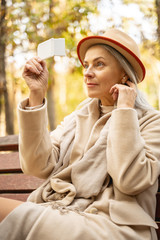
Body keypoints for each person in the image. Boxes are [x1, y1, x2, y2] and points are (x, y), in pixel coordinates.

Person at [0, 28, 160, 240]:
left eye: (99, 64)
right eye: (86, 65)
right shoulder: (76, 118)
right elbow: (37, 165)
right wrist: (36, 94)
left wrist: (124, 111)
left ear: (124, 73)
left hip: (113, 227)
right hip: (63, 211)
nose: (87, 72)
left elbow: (130, 181)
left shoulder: (151, 121)